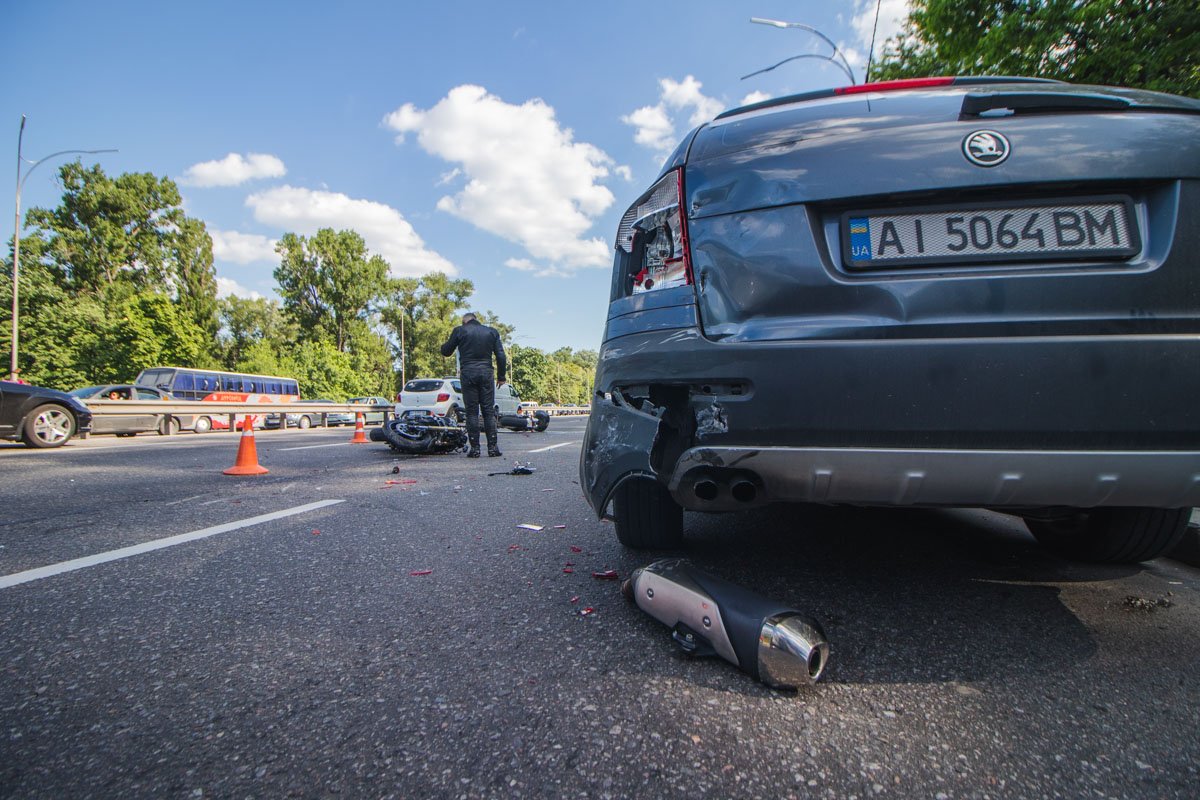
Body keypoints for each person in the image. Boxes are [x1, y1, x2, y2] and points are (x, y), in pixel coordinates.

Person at [441, 312, 507, 458]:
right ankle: (493, 448)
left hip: (468, 373)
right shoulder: (491, 332)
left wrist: (445, 344)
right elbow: (501, 356)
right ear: (476, 320)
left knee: (472, 412)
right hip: (486, 373)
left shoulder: (460, 331)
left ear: (465, 322)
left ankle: (475, 449)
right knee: (488, 411)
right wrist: (501, 377)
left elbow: (446, 351)